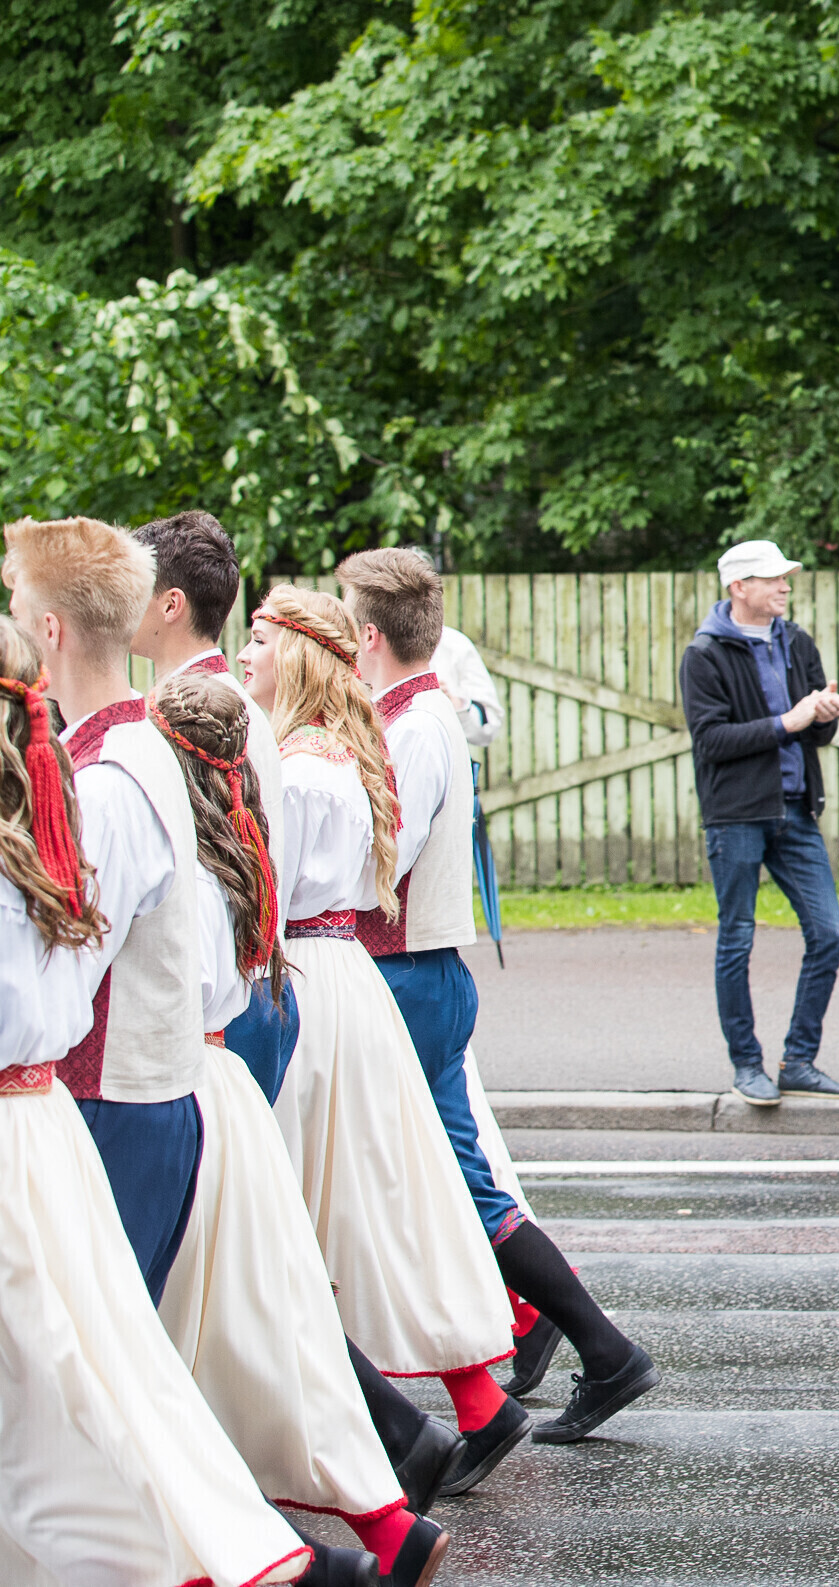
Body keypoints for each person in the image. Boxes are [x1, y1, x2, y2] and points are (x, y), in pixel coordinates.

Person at [0, 613, 333, 1587]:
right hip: (45, 1129)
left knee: (63, 1403)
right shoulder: (52, 840)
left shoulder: (78, 815)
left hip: (36, 1127)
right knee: (93, 1372)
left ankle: (195, 1556)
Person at [339, 546, 659, 1442]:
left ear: (369, 635)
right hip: (418, 971)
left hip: (408, 971)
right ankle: (573, 1340)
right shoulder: (414, 714)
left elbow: (379, 861)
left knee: (430, 1186)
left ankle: (584, 1347)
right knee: (446, 1183)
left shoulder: (413, 725)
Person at [150, 670, 449, 1583]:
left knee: (181, 1341)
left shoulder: (188, 872)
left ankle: (278, 1550)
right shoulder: (237, 860)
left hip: (185, 1090)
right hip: (226, 1094)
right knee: (259, 1314)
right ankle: (377, 1504)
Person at [240, 586, 527, 1499]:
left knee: (293, 1215)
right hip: (342, 976)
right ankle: (457, 1402)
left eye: (260, 639)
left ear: (295, 655)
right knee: (362, 1207)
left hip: (308, 976)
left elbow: (271, 896)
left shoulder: (303, 767)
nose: (247, 653)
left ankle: (366, 1432)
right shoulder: (340, 750)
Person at [3, 517, 207, 1303]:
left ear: (50, 630)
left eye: (17, 609)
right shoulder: (132, 745)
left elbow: (63, 966)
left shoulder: (106, 779)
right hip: (132, 1098)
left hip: (114, 1101)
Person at [130, 510, 298, 1102]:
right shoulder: (228, 705)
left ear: (170, 605)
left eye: (134, 587)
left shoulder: (193, 717)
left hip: (224, 991)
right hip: (246, 978)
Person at [680, 539, 839, 1106]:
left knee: (829, 934)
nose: (785, 586)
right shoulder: (704, 654)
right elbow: (711, 741)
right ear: (739, 587)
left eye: (786, 577)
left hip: (796, 810)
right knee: (737, 939)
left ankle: (798, 1061)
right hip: (736, 816)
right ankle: (747, 1065)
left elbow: (816, 731)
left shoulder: (796, 641)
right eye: (774, 578)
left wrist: (823, 715)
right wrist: (788, 721)